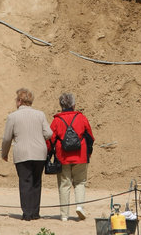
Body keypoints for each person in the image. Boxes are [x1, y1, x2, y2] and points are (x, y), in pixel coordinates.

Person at [2, 88, 53, 221]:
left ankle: (27, 213)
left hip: (22, 153)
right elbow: (49, 133)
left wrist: (4, 153)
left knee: (25, 182)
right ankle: (35, 213)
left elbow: (7, 138)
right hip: (39, 153)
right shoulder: (40, 114)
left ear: (19, 101)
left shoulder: (12, 116)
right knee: (36, 182)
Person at [48, 92, 94, 222]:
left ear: (61, 105)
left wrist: (50, 155)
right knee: (80, 182)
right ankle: (79, 206)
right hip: (80, 156)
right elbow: (90, 136)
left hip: (63, 157)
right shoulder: (81, 118)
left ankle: (64, 215)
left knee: (64, 185)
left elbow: (50, 140)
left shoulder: (56, 120)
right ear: (73, 104)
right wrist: (88, 153)